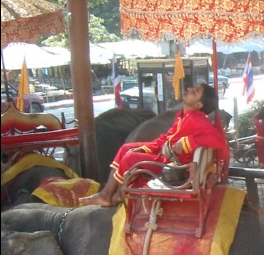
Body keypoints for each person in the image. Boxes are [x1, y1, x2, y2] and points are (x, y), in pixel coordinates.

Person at [80, 82, 226, 207]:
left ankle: (108, 196)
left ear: (198, 104)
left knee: (130, 158)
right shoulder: (183, 115)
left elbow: (217, 138)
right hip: (167, 156)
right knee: (126, 148)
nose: (189, 89)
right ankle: (110, 194)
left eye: (195, 92)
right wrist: (147, 148)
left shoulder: (197, 119)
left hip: (175, 166)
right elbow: (167, 138)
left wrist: (187, 143)